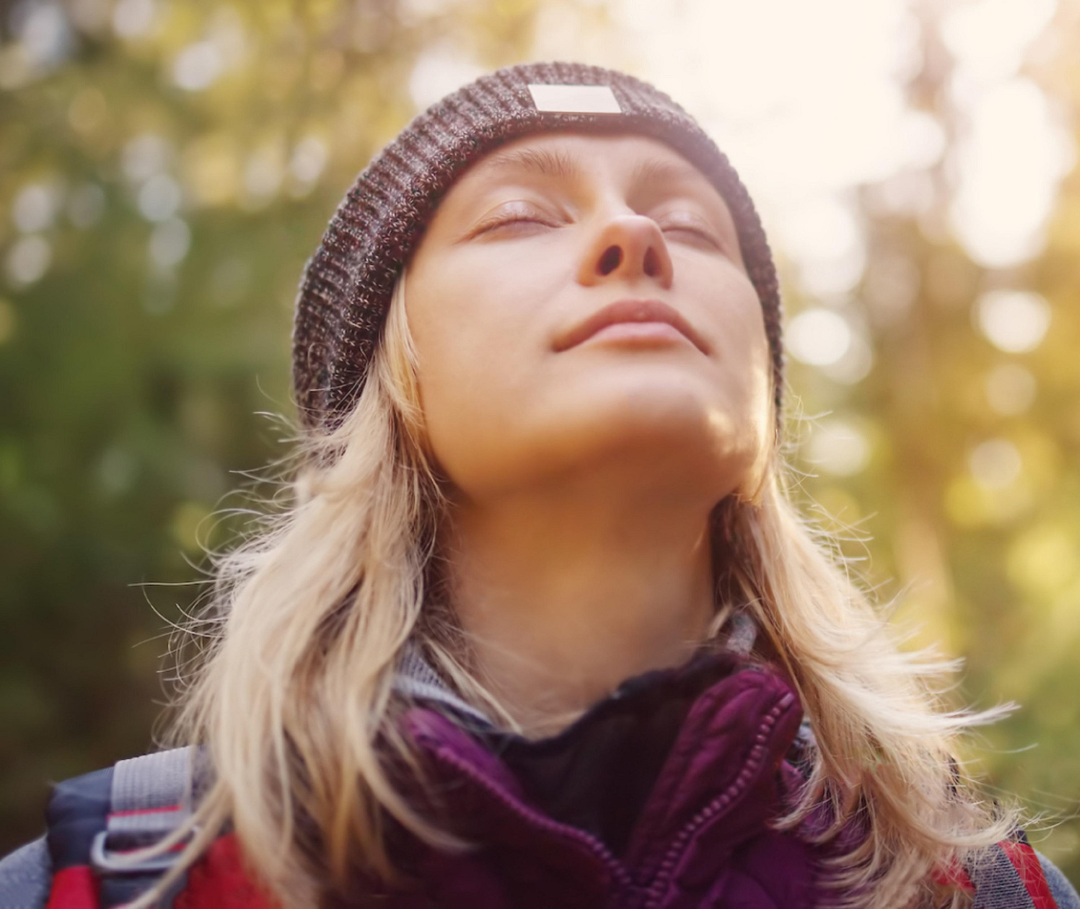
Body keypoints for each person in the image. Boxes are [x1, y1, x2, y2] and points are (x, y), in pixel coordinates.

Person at [2, 62, 1077, 909]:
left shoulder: (969, 890)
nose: (637, 235)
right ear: (388, 382)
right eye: (520, 216)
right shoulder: (111, 886)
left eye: (695, 228)